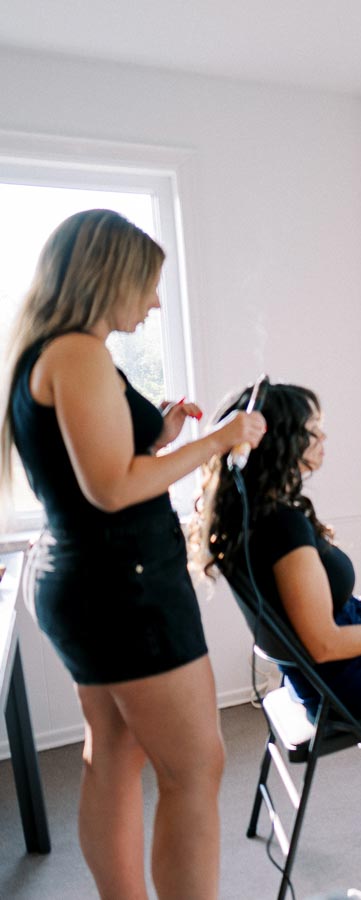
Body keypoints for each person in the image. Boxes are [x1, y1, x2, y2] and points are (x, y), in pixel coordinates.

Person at [0, 209, 266, 899]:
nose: (153, 301)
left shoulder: (51, 352)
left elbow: (95, 472)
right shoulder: (78, 352)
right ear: (108, 274)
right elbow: (114, 489)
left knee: (113, 752)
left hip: (88, 579)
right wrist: (217, 439)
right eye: (147, 284)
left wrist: (162, 432)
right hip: (124, 585)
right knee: (196, 765)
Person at [193, 381, 361, 813]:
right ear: (283, 441)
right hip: (347, 685)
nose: (324, 438)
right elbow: (324, 643)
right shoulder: (283, 527)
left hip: (312, 683)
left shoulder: (250, 513)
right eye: (313, 429)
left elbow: (304, 601)